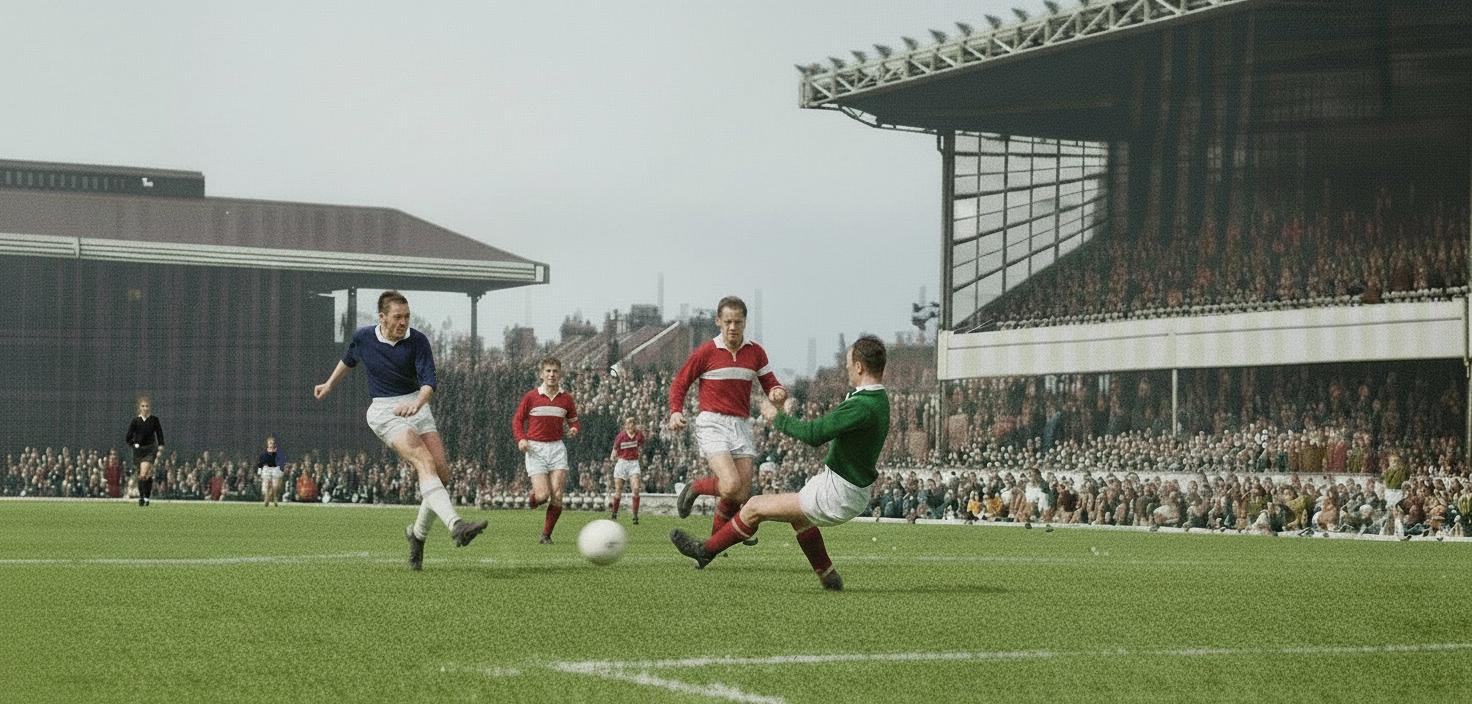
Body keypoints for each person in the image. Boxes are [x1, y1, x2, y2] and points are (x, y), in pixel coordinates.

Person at [670, 335, 890, 591]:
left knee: (753, 507)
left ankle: (705, 551)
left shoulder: (862, 406)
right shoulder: (877, 399)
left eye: (848, 364)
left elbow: (814, 434)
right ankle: (828, 575)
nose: (847, 368)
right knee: (798, 517)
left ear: (859, 367)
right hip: (846, 488)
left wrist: (776, 417)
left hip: (838, 492)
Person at [313, 290, 485, 570]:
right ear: (382, 317)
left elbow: (429, 383)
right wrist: (330, 384)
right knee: (424, 462)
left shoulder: (418, 341)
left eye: (407, 316)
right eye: (397, 317)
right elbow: (349, 359)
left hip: (417, 405)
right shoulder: (364, 337)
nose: (403, 322)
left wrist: (417, 403)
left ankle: (417, 535)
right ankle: (456, 525)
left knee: (442, 474)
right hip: (385, 411)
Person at [668, 296, 787, 544]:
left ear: (745, 322)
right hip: (713, 423)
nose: (733, 327)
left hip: (741, 424)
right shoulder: (706, 352)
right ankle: (695, 487)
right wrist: (676, 411)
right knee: (731, 484)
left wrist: (777, 392)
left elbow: (770, 383)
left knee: (741, 493)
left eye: (738, 322)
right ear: (718, 322)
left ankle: (712, 544)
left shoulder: (756, 352)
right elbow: (680, 382)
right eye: (728, 322)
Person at [512, 356, 580, 544]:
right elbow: (517, 420)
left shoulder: (566, 398)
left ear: (560, 374)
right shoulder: (531, 397)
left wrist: (574, 429)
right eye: (548, 371)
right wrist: (521, 439)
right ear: (541, 374)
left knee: (557, 495)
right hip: (535, 449)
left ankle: (546, 535)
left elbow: (574, 421)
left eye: (555, 371)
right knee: (543, 496)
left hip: (557, 448)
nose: (552, 375)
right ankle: (533, 499)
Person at [125, 395, 165, 507]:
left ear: (149, 407)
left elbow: (159, 433)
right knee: (145, 475)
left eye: (147, 406)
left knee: (143, 473)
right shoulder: (135, 421)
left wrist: (161, 445)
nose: (145, 408)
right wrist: (134, 444)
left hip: (150, 449)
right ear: (139, 408)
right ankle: (146, 497)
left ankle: (142, 498)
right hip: (139, 451)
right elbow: (128, 437)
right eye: (143, 406)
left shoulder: (154, 420)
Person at [608, 416, 644, 524]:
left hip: (633, 463)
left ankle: (635, 516)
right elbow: (614, 450)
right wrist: (612, 457)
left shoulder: (639, 435)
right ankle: (614, 513)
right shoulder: (621, 436)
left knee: (636, 489)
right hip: (622, 463)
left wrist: (640, 455)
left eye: (633, 422)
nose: (631, 424)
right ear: (625, 425)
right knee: (618, 490)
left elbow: (641, 448)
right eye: (629, 422)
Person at [256, 436, 285, 507]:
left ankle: (274, 497)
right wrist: (259, 472)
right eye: (270, 443)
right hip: (266, 469)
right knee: (266, 486)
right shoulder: (264, 453)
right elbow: (260, 463)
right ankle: (267, 498)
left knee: (275, 486)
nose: (271, 444)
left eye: (273, 443)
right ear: (267, 444)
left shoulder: (278, 452)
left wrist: (282, 470)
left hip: (275, 469)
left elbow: (281, 461)